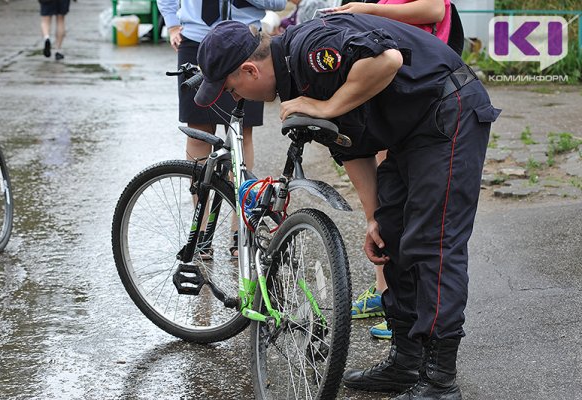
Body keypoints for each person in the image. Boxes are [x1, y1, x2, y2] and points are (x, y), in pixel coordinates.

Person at [193, 16, 500, 399]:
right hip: (411, 129)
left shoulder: (310, 49)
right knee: (393, 239)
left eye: (231, 88)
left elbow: (386, 60)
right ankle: (406, 361)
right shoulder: (294, 82)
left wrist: (327, 106)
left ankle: (439, 379)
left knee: (432, 244)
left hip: (448, 111)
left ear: (250, 69)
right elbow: (351, 145)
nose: (234, 97)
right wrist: (374, 218)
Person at [332, 0, 456, 342]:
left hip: (418, 90)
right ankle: (385, 291)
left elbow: (433, 11)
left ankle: (406, 308)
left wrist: (367, 11)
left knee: (409, 207)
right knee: (381, 200)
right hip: (389, 91)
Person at [156, 0, 286, 258]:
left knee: (241, 131)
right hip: (195, 41)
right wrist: (172, 24)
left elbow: (278, 3)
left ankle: (241, 230)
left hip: (244, 44)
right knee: (198, 131)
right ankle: (201, 232)